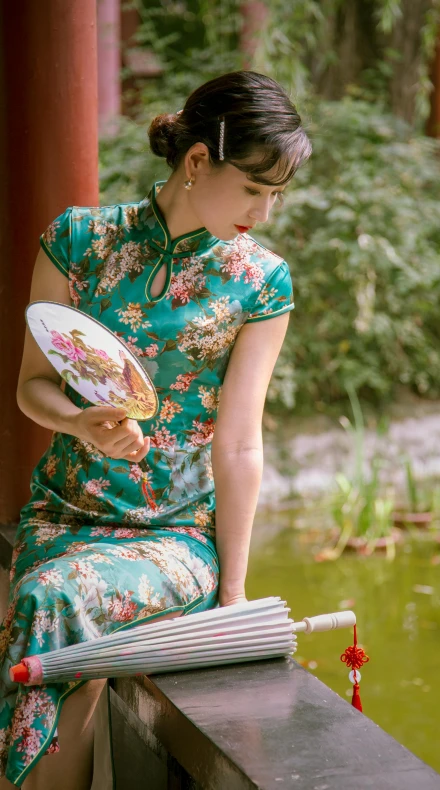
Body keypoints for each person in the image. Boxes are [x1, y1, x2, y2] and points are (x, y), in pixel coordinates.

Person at [0, 69, 312, 789]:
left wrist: (232, 595)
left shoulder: (260, 282)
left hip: (172, 536)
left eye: (275, 196)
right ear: (198, 161)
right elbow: (31, 387)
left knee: (54, 601)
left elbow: (237, 443)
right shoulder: (78, 240)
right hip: (64, 515)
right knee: (54, 601)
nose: (263, 214)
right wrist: (80, 422)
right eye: (253, 189)